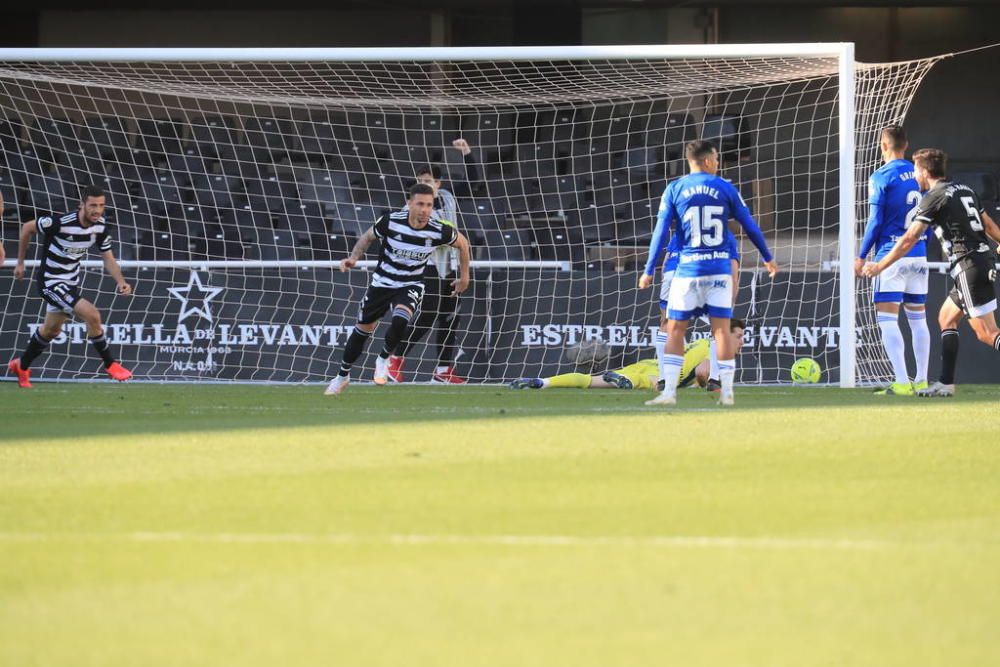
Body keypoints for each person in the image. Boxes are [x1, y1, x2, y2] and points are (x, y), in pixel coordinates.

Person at [639, 140, 778, 406]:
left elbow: (660, 232)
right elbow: (750, 226)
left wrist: (648, 269)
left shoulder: (675, 188)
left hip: (688, 268)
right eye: (715, 158)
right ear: (705, 161)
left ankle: (668, 391)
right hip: (718, 268)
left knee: (675, 328)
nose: (718, 162)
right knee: (721, 331)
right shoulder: (725, 188)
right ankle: (726, 392)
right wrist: (768, 257)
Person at [864, 148, 1000, 397]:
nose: (914, 173)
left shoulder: (934, 196)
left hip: (969, 267)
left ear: (925, 171)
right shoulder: (964, 189)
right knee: (946, 318)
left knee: (987, 334)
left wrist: (879, 266)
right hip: (976, 264)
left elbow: (908, 239)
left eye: (916, 169)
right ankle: (945, 384)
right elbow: (989, 225)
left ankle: (940, 383)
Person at [325, 182, 472, 395]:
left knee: (401, 319)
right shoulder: (391, 222)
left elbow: (463, 244)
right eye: (420, 204)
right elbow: (367, 237)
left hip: (410, 283)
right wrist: (353, 258)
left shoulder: (438, 229)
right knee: (362, 330)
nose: (424, 210)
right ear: (409, 203)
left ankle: (384, 358)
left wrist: (464, 277)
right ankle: (342, 375)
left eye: (429, 205)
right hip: (382, 283)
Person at [8, 185, 133, 388]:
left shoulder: (100, 227)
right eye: (93, 205)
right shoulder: (60, 222)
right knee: (92, 315)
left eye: (101, 205)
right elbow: (27, 228)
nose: (97, 210)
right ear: (82, 205)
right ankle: (111, 364)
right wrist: (20, 263)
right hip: (50, 282)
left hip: (70, 283)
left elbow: (108, 258)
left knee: (50, 331)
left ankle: (21, 365)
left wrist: (121, 281)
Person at [387, 138, 480, 384]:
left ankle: (443, 371)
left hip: (449, 267)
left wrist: (467, 154)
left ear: (438, 184)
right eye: (421, 181)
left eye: (429, 181)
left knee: (450, 318)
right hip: (423, 267)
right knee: (427, 314)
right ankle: (395, 359)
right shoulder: (413, 207)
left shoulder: (449, 197)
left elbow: (474, 183)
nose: (425, 184)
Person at [855, 125, 930, 395]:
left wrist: (861, 255)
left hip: (891, 255)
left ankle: (902, 382)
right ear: (906, 145)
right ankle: (921, 380)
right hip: (919, 255)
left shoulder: (880, 176)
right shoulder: (920, 175)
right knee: (918, 320)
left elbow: (874, 222)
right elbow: (928, 220)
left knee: (887, 319)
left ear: (883, 145)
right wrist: (923, 248)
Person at [510, 319, 746, 391]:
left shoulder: (702, 341)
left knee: (591, 381)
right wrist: (710, 386)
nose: (741, 343)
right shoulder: (716, 349)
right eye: (739, 337)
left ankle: (544, 382)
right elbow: (704, 372)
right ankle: (627, 382)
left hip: (649, 364)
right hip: (660, 375)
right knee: (654, 384)